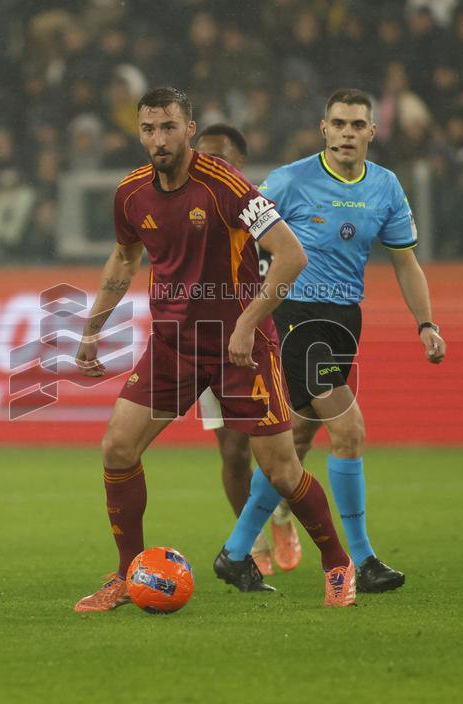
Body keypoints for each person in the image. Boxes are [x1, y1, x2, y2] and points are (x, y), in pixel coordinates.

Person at [73, 87, 357, 611]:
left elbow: (291, 255)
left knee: (281, 470)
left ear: (189, 130)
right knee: (117, 448)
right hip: (174, 344)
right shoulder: (131, 193)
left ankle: (338, 564)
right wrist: (92, 329)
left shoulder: (226, 185)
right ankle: (127, 574)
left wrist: (248, 323)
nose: (158, 139)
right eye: (149, 129)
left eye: (168, 128)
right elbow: (124, 259)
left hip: (237, 348)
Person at [219, 88, 446, 594]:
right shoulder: (290, 180)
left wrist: (426, 324)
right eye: (338, 124)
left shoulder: (385, 186)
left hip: (342, 322)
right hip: (294, 319)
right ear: (324, 129)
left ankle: (234, 553)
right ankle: (363, 560)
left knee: (295, 443)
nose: (347, 133)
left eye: (356, 125)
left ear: (372, 132)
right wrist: (242, 304)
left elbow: (405, 261)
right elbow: (237, 232)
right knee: (348, 429)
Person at [193, 123, 302, 577]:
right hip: (209, 342)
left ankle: (281, 514)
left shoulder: (262, 212)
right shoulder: (191, 215)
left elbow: (291, 267)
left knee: (273, 452)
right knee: (232, 451)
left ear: (240, 166)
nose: (210, 167)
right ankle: (251, 540)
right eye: (203, 159)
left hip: (261, 342)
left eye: (220, 159)